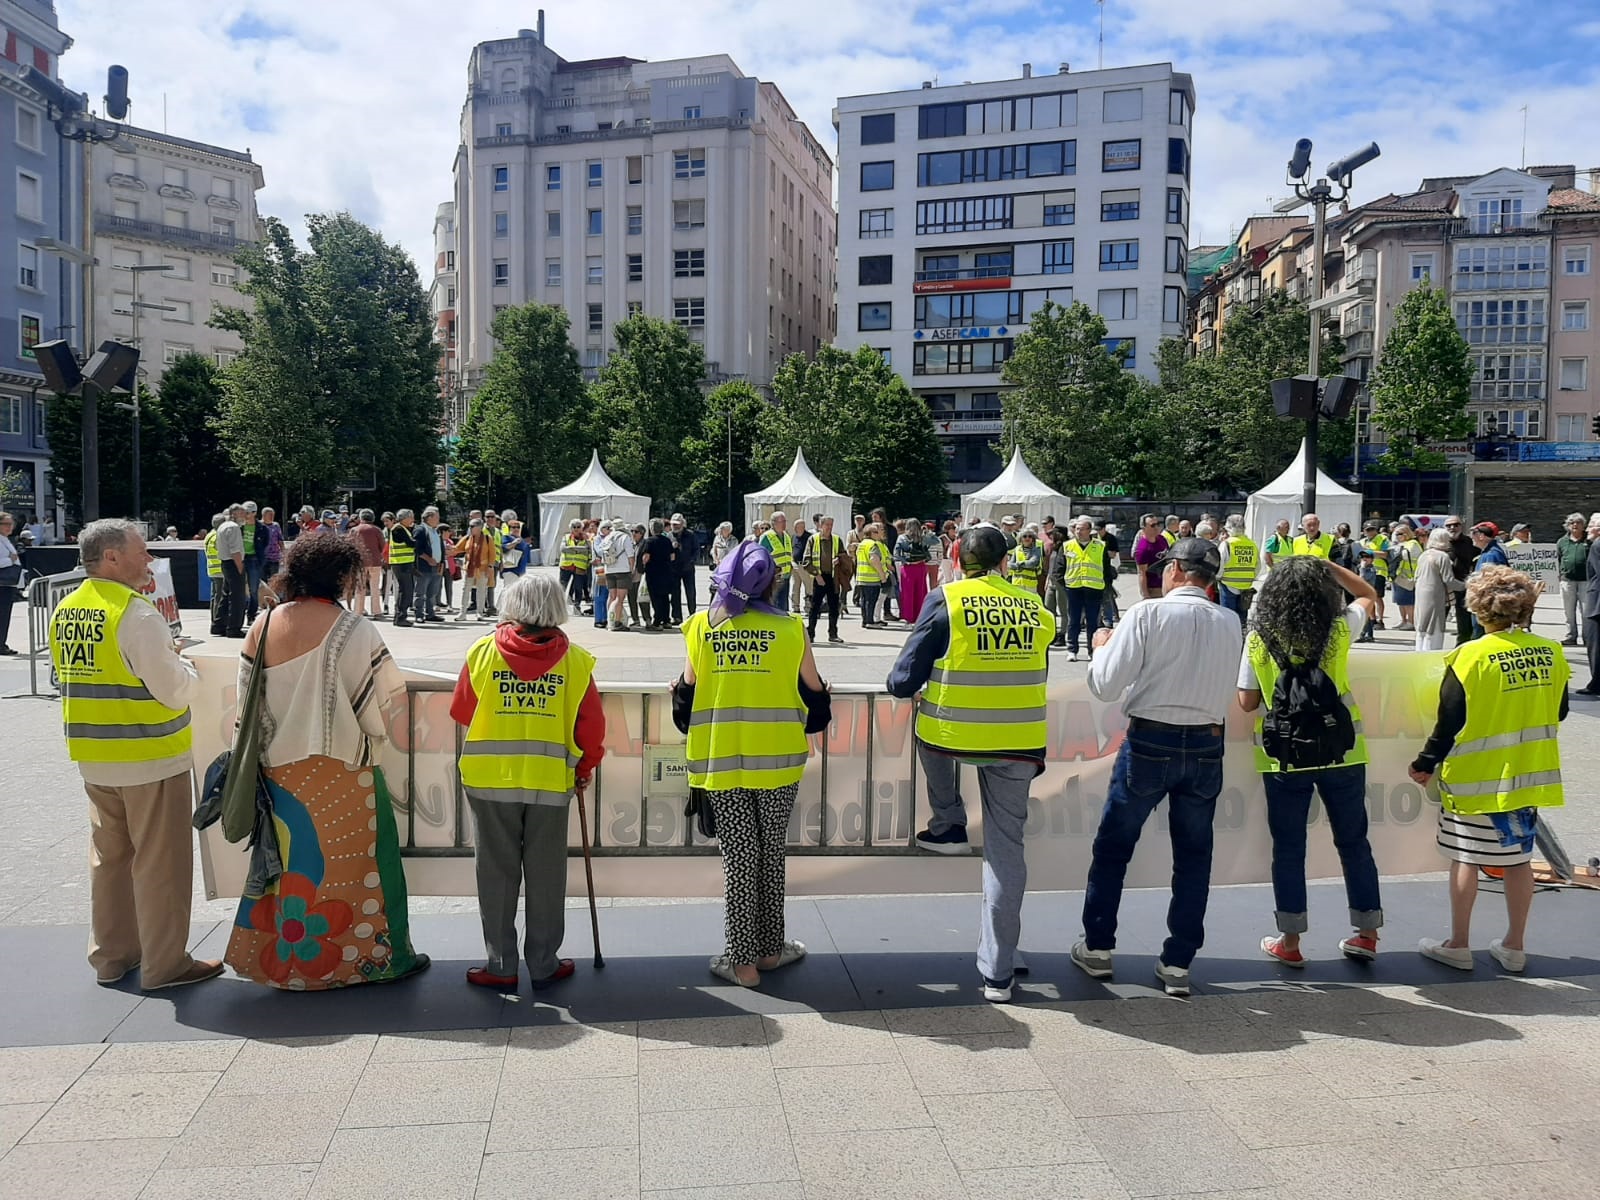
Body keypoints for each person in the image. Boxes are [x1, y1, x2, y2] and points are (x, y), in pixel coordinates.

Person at [224, 534, 427, 988]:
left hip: (279, 769)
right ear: (340, 577)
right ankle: (376, 961)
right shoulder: (354, 628)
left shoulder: (264, 624)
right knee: (367, 867)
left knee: (293, 868)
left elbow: (245, 703)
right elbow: (383, 699)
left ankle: (291, 966)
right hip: (344, 768)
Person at [47, 521, 220, 991]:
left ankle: (111, 956)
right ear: (111, 558)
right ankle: (165, 965)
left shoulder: (67, 608)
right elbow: (173, 690)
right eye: (141, 551)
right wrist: (185, 665)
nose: (149, 560)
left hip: (93, 752)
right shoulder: (136, 614)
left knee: (110, 860)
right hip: (149, 753)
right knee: (161, 864)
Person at [888, 526, 1054, 1002]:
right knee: (1005, 853)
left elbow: (902, 681)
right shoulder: (1034, 607)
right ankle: (998, 972)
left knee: (926, 737)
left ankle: (948, 822)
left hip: (953, 735)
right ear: (1006, 562)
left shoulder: (947, 599)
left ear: (958, 561)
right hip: (1019, 741)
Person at [1075, 537, 1244, 997]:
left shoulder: (1147, 613)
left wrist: (1101, 646)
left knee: (1114, 847)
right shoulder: (1229, 620)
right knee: (1194, 855)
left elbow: (1105, 685)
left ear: (1175, 571)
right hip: (1206, 740)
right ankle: (1178, 960)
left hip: (1152, 738)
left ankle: (1098, 945)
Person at [675, 543, 828, 987]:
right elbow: (816, 701)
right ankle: (769, 950)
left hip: (721, 759)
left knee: (740, 857)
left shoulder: (701, 626)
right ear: (771, 584)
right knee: (771, 852)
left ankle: (741, 961)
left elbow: (685, 703)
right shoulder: (791, 629)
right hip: (778, 760)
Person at [1409, 566, 1570, 973]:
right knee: (1517, 860)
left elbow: (1449, 720)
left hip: (1474, 777)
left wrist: (1424, 763)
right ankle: (1515, 946)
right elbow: (1561, 710)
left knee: (1466, 857)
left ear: (1479, 608)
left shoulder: (1470, 656)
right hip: (1527, 775)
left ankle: (1458, 944)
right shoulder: (1551, 651)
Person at [450, 574, 605, 990]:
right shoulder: (576, 661)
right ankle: (543, 963)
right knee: (546, 874)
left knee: (495, 873)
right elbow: (591, 727)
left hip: (489, 781)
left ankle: (501, 964)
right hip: (550, 782)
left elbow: (463, 711)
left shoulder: (482, 652)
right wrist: (585, 767)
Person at [1239, 555, 1383, 967]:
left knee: (1288, 848)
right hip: (1343, 752)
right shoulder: (1339, 629)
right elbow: (1368, 594)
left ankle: (1290, 941)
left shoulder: (1258, 638)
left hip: (1283, 758)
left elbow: (1246, 701)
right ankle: (1367, 933)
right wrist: (1327, 566)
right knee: (1353, 842)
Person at [1059, 516, 1105, 662]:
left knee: (1092, 622)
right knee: (1074, 621)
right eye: (1077, 529)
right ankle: (1072, 650)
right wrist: (1064, 584)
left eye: (1082, 529)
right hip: (1074, 588)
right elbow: (1059, 568)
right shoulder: (1067, 546)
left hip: (1094, 588)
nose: (1078, 532)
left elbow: (1106, 568)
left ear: (1089, 530)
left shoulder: (1100, 546)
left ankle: (1092, 650)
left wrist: (1106, 586)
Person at [1413, 527, 1465, 652]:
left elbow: (1416, 576)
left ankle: (1420, 652)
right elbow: (1449, 580)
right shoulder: (1443, 557)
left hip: (1420, 594)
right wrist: (1466, 585)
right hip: (1435, 595)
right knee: (1434, 627)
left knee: (1422, 627)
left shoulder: (1424, 555)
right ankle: (1431, 655)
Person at [803, 515, 846, 644]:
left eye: (831, 525)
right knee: (815, 607)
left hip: (833, 578)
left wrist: (839, 559)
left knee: (834, 607)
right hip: (819, 577)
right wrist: (817, 575)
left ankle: (833, 634)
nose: (829, 527)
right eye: (827, 525)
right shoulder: (813, 539)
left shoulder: (837, 539)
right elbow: (806, 561)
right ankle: (810, 634)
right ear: (820, 526)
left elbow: (844, 557)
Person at [1216, 514, 1258, 627]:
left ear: (1229, 527)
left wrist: (1218, 577)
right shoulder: (1252, 544)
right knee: (1242, 619)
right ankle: (1241, 636)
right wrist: (1249, 577)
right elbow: (1258, 566)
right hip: (1246, 586)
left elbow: (1220, 564)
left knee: (1228, 617)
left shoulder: (1227, 544)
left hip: (1228, 584)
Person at [453, 518, 497, 623]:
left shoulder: (488, 539)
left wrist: (490, 567)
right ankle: (462, 613)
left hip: (483, 569)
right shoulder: (467, 538)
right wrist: (449, 550)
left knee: (481, 591)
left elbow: (492, 554)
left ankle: (479, 613)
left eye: (472, 526)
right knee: (466, 590)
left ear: (479, 527)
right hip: (470, 568)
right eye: (470, 526)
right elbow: (457, 548)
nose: (470, 528)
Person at [1556, 513, 1589, 647]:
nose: (1575, 525)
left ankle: (1588, 637)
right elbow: (1558, 559)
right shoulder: (1562, 542)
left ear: (1583, 525)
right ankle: (1571, 635)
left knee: (1586, 610)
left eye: (1578, 523)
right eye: (1572, 523)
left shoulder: (1589, 541)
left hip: (1586, 580)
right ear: (1568, 526)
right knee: (1569, 611)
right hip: (1567, 580)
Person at [215, 504, 248, 638]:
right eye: (242, 513)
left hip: (225, 563)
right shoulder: (234, 528)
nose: (244, 516)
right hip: (234, 563)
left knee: (226, 595)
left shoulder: (222, 526)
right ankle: (234, 628)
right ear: (234, 514)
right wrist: (240, 567)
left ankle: (218, 625)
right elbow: (235, 550)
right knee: (237, 597)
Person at [1443, 515, 1475, 644]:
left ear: (1461, 526)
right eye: (1449, 525)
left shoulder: (1468, 542)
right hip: (1443, 585)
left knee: (1464, 620)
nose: (1452, 528)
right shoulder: (1441, 541)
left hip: (1462, 584)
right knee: (1438, 619)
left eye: (1456, 525)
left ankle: (1462, 645)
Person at [894, 518, 934, 623]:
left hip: (908, 567)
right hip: (921, 566)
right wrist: (927, 532)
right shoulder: (923, 538)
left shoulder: (902, 538)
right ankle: (920, 616)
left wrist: (905, 561)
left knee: (907, 593)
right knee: (921, 592)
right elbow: (935, 541)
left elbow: (896, 554)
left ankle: (907, 616)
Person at [641, 517, 678, 630]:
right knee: (665, 597)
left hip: (653, 573)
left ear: (652, 529)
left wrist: (643, 564)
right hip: (666, 571)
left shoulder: (649, 541)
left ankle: (657, 622)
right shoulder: (667, 541)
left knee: (655, 597)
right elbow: (672, 556)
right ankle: (666, 620)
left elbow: (646, 557)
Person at [348, 509, 386, 619]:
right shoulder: (377, 530)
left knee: (360, 587)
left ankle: (358, 611)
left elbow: (350, 546)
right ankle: (377, 612)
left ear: (361, 518)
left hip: (360, 562)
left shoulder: (354, 530)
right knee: (375, 587)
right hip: (375, 561)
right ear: (372, 518)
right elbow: (383, 546)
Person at [1578, 513, 1600, 698]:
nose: (1587, 529)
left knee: (1595, 644)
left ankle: (1596, 683)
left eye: (1591, 525)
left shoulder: (1597, 545)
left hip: (1597, 604)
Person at [855, 522, 890, 628]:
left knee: (864, 600)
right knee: (871, 601)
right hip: (871, 578)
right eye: (876, 532)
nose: (879, 533)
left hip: (861, 577)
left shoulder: (862, 544)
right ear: (872, 533)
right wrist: (882, 576)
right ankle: (870, 622)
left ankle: (865, 620)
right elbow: (874, 560)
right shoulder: (873, 544)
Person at [604, 516, 636, 632]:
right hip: (623, 570)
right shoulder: (625, 537)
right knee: (620, 598)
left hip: (609, 569)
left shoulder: (607, 537)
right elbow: (630, 555)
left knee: (611, 596)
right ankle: (617, 622)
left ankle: (609, 620)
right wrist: (632, 569)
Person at [388, 508, 418, 627]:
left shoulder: (403, 529)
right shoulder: (398, 529)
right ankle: (400, 617)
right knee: (406, 591)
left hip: (404, 563)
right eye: (411, 517)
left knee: (406, 590)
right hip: (401, 563)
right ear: (404, 518)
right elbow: (410, 543)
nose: (413, 520)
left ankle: (400, 617)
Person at [1390, 522, 1422, 632]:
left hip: (1408, 577)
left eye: (1399, 534)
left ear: (1406, 534)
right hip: (1399, 576)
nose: (1397, 536)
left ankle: (1411, 622)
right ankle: (1403, 620)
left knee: (1408, 602)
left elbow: (1406, 556)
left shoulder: (1413, 544)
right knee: (1400, 601)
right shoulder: (1400, 544)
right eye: (1396, 534)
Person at [1358, 521, 1390, 625]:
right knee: (1368, 596)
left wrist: (1370, 552)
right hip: (1365, 571)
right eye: (1368, 530)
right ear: (1364, 531)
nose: (1370, 531)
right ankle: (1372, 619)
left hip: (1378, 571)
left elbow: (1385, 554)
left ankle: (1380, 620)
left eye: (1372, 529)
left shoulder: (1382, 539)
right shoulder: (1362, 541)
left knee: (1377, 597)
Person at [1043, 527, 1069, 648]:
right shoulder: (1054, 547)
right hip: (1052, 580)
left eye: (1053, 534)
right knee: (1049, 609)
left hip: (1061, 581)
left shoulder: (1067, 546)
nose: (1051, 536)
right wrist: (1048, 579)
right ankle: (1052, 633)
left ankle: (1062, 634)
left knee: (1063, 610)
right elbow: (1051, 565)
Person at [759, 511, 794, 599]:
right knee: (773, 603)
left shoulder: (786, 536)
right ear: (773, 523)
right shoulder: (767, 537)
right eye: (781, 521)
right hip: (773, 578)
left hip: (786, 577)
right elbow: (761, 557)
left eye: (785, 521)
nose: (784, 524)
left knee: (783, 605)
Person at [0, 511, 21, 654]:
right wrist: (10, 560)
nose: (9, 527)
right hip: (2, 583)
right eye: (6, 524)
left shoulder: (5, 540)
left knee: (5, 615)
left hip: (9, 584)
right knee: (2, 615)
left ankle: (2, 642)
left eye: (11, 524)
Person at [559, 519, 591, 611]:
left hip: (580, 566)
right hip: (566, 566)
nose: (576, 529)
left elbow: (589, 550)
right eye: (574, 527)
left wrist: (571, 549)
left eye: (578, 527)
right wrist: (580, 549)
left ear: (582, 528)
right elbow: (563, 549)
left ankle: (577, 605)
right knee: (562, 587)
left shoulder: (586, 538)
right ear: (571, 528)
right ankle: (559, 605)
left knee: (578, 587)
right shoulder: (566, 537)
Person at [672, 513, 699, 622]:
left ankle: (692, 614)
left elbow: (696, 550)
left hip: (688, 568)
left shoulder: (690, 535)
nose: (675, 526)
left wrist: (691, 561)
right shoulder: (669, 535)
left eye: (677, 524)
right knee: (675, 593)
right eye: (673, 524)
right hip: (674, 568)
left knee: (690, 592)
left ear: (682, 524)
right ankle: (677, 616)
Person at [1133, 513, 1167, 600]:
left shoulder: (1162, 539)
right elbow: (1142, 574)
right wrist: (1146, 595)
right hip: (1154, 589)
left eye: (1158, 524)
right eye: (1152, 525)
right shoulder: (1142, 549)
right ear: (1143, 528)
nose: (1156, 527)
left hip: (1166, 585)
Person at [1097, 520, 1122, 629]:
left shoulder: (1110, 538)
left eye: (1099, 529)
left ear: (1104, 529)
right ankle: (1098, 620)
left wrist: (1101, 549)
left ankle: (1108, 620)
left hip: (1106, 572)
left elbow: (1113, 554)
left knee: (1106, 598)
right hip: (1094, 572)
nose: (1098, 532)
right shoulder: (1093, 538)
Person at [204, 513, 226, 635]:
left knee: (214, 598)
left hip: (212, 570)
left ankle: (214, 620)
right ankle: (217, 622)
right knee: (219, 598)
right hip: (220, 570)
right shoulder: (218, 536)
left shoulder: (209, 535)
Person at [789, 516, 812, 615]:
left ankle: (808, 608)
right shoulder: (793, 537)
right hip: (795, 565)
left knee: (808, 587)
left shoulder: (809, 537)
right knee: (795, 586)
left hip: (805, 565)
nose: (794, 528)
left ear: (802, 527)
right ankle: (795, 607)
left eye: (796, 527)